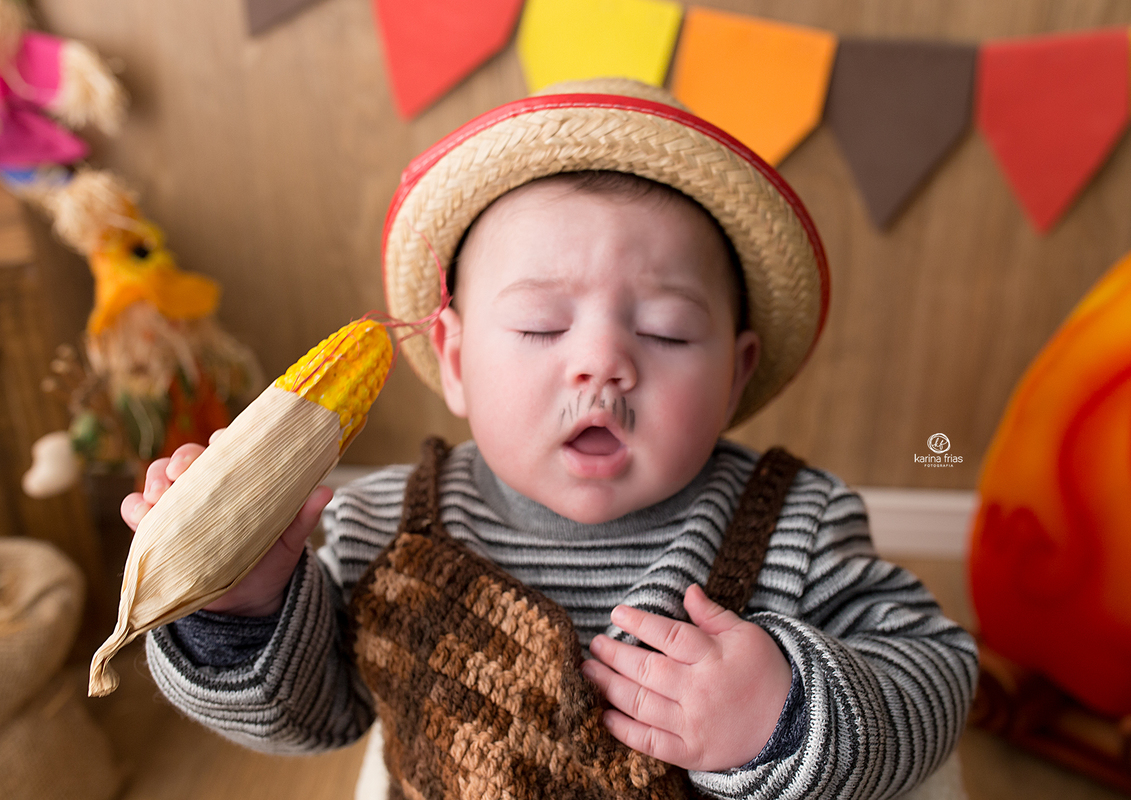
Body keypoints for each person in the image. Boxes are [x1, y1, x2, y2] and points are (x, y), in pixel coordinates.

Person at [123, 79, 978, 799]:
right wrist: (243, 604)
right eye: (539, 326)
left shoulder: (799, 524)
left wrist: (784, 713)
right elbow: (307, 717)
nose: (603, 362)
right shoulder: (381, 525)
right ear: (454, 360)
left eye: (670, 332)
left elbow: (939, 676)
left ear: (736, 374)